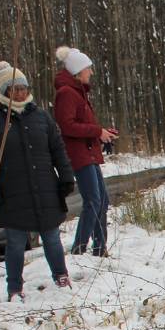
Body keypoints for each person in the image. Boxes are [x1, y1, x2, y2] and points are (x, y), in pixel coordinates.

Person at [0, 61, 75, 301]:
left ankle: (61, 276)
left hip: (45, 188)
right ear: (4, 91)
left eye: (23, 87)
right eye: (15, 88)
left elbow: (57, 149)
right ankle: (14, 288)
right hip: (13, 192)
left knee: (51, 236)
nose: (21, 92)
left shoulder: (41, 116)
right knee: (16, 242)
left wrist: (65, 176)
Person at [53, 45, 117, 257]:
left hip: (88, 152)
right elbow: (67, 126)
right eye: (88, 68)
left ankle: (100, 248)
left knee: (102, 201)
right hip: (80, 155)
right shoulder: (67, 93)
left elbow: (81, 125)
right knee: (93, 201)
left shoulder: (78, 93)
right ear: (78, 71)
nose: (91, 72)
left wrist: (102, 132)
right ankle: (79, 248)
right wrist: (96, 131)